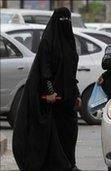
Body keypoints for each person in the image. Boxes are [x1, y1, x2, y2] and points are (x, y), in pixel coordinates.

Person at [12, 7, 81, 171]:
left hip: (68, 99)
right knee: (52, 135)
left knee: (69, 132)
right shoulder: (48, 43)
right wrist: (50, 92)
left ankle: (70, 162)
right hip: (52, 100)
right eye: (62, 19)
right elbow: (45, 71)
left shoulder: (70, 42)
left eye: (68, 19)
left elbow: (70, 73)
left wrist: (76, 94)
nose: (65, 23)